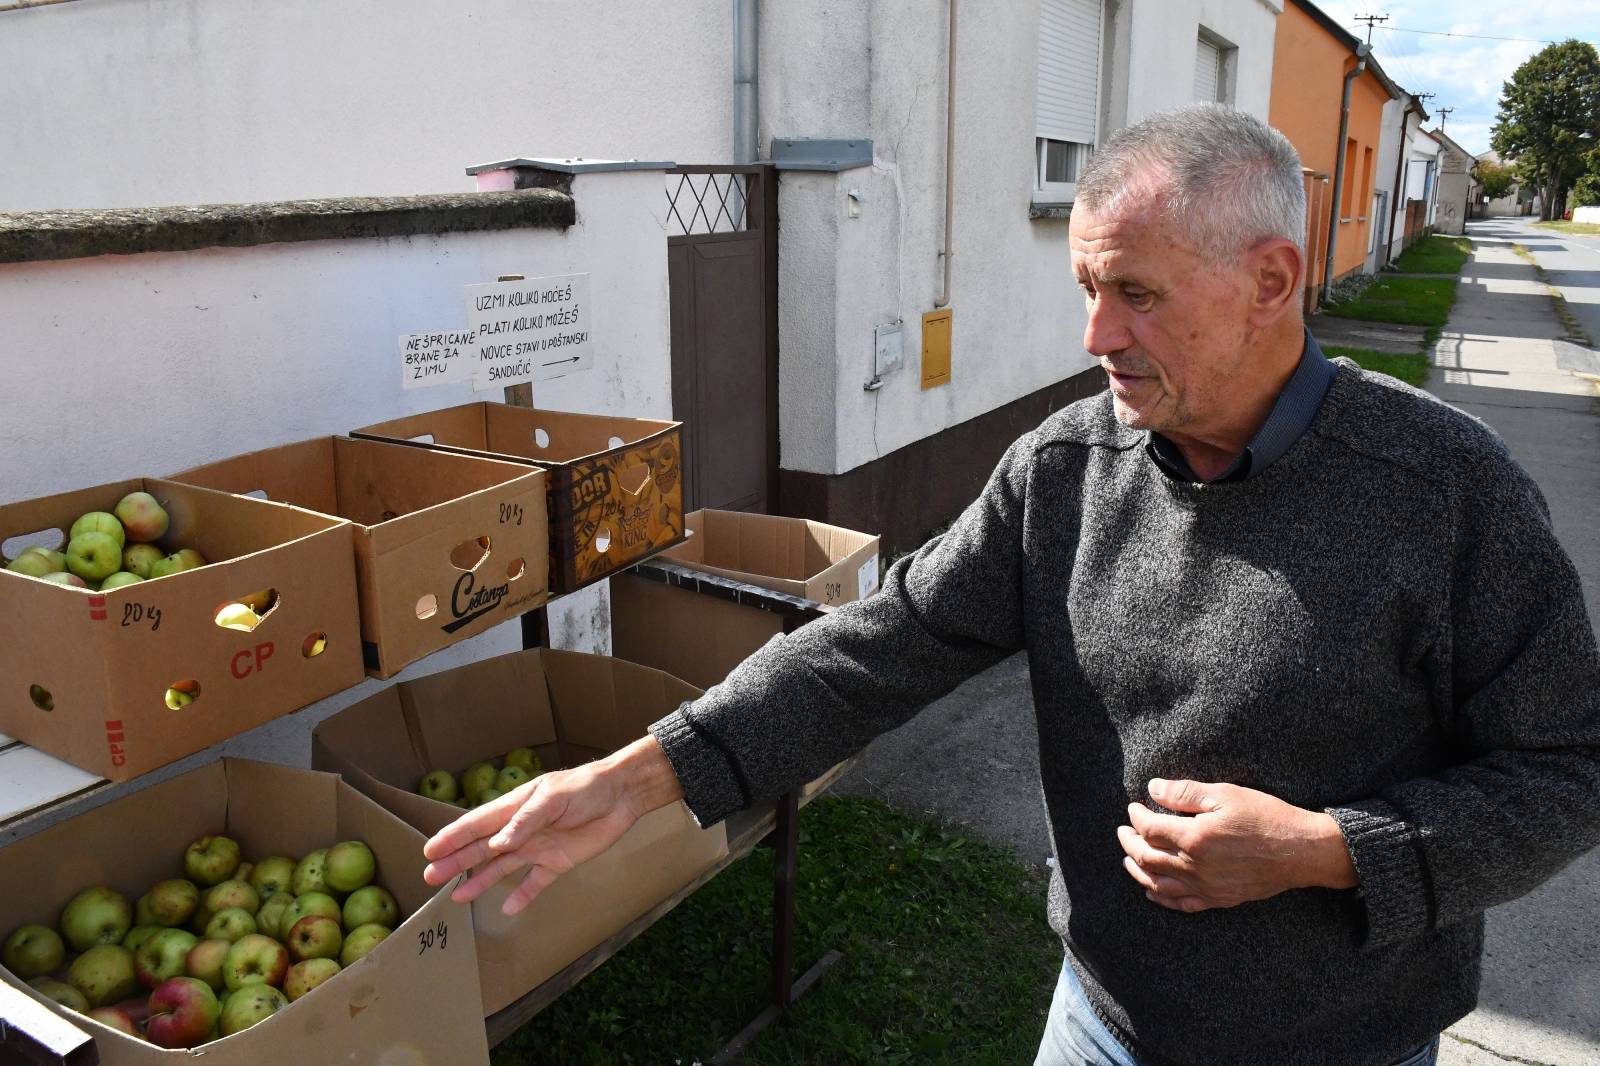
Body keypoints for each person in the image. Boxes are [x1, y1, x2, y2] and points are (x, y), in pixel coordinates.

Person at [422, 105, 1600, 1066]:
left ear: (1272, 278)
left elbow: (1567, 768)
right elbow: (883, 643)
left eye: (1135, 292)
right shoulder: (1066, 467)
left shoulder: (1444, 490)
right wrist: (642, 774)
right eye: (1087, 285)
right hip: (1098, 1022)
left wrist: (1326, 849)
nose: (1095, 332)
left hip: (1346, 1047)